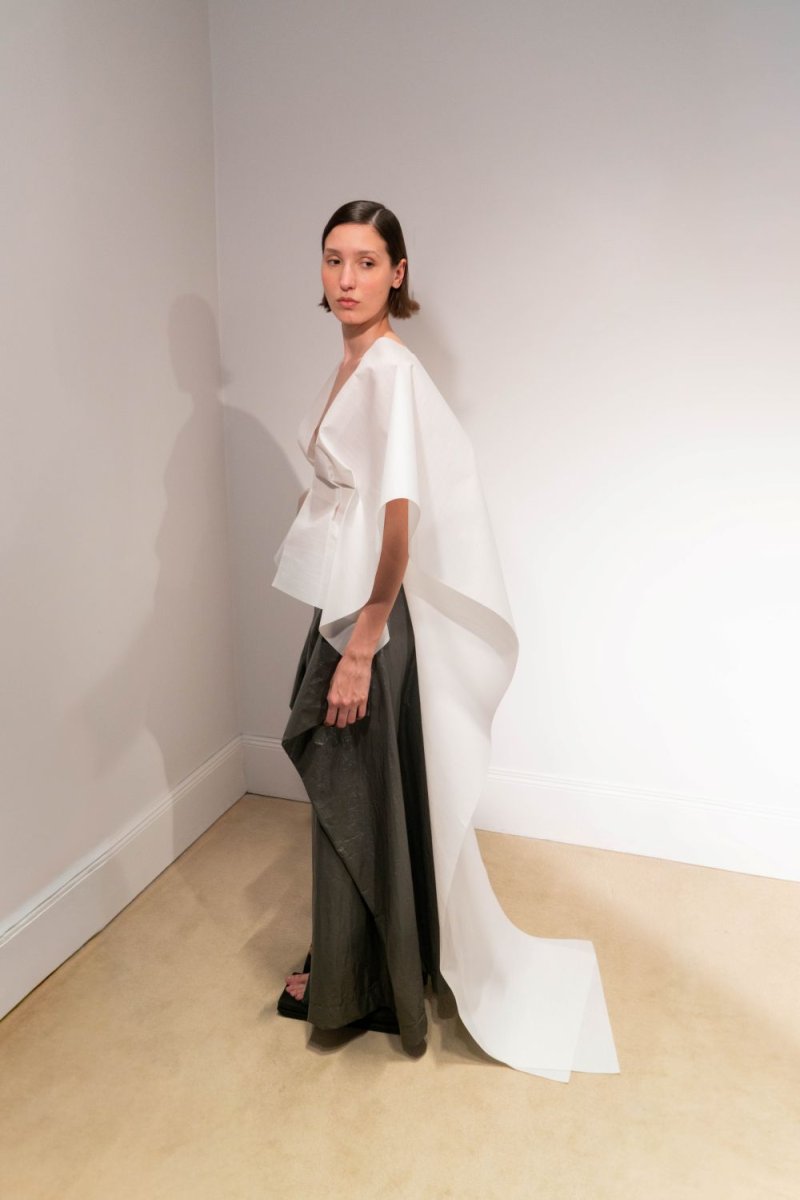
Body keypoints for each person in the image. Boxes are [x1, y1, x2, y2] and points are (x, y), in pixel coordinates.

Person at [271, 200, 620, 1081]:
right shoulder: (354, 363)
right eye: (334, 259)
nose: (347, 278)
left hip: (368, 613)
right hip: (344, 599)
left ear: (398, 274)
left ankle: (360, 985)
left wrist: (363, 641)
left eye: (367, 262)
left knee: (350, 788)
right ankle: (361, 963)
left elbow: (402, 520)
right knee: (362, 791)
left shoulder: (390, 370)